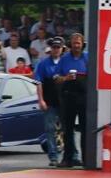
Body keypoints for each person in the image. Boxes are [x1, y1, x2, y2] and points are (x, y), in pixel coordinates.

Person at [57, 33, 89, 168]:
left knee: (85, 129)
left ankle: (87, 159)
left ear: (82, 44)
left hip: (84, 96)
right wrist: (65, 78)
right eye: (74, 43)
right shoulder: (64, 59)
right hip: (68, 96)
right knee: (68, 129)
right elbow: (56, 77)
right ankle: (67, 159)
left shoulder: (88, 57)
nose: (76, 46)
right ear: (70, 44)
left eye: (79, 43)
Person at [34, 37, 65, 166]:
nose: (56, 50)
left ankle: (69, 156)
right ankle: (53, 157)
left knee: (67, 129)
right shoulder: (43, 63)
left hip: (64, 100)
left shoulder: (65, 61)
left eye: (58, 47)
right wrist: (41, 100)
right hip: (50, 100)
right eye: (54, 47)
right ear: (50, 49)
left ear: (62, 49)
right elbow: (39, 82)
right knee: (50, 129)